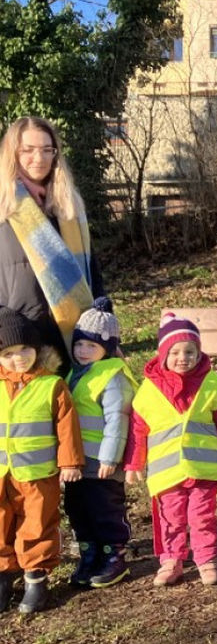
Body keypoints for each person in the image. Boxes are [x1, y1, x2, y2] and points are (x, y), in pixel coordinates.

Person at [124, 312, 217, 586]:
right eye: (175, 351)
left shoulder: (212, 384)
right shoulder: (148, 391)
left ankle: (206, 559)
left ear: (199, 353)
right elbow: (138, 430)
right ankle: (171, 560)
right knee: (171, 518)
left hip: (204, 469)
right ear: (163, 354)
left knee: (201, 517)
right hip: (166, 473)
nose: (183, 357)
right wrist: (133, 464)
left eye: (190, 351)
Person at [0, 116, 104, 371]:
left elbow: (91, 269)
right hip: (17, 340)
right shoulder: (4, 206)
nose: (40, 158)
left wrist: (103, 316)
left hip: (72, 334)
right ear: (12, 153)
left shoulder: (68, 206)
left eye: (48, 150)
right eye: (29, 150)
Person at [0, 307, 83, 614]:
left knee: (37, 522)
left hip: (37, 473)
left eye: (24, 349)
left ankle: (35, 577)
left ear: (36, 349)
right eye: (8, 353)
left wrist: (70, 463)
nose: (18, 358)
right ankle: (4, 575)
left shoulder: (51, 385)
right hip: (2, 473)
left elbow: (67, 427)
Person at [63, 297, 137, 588]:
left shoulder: (113, 376)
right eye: (79, 344)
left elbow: (117, 419)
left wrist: (110, 458)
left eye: (91, 346)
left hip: (102, 460)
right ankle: (88, 553)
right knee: (78, 508)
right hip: (77, 459)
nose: (82, 351)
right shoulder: (75, 372)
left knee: (105, 508)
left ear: (106, 348)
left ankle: (113, 555)